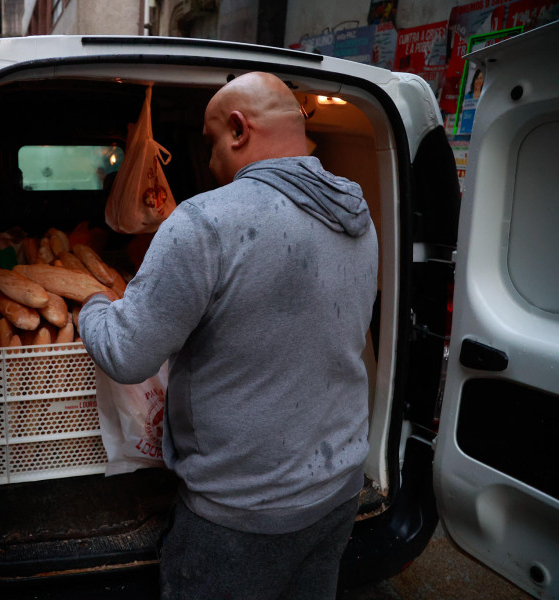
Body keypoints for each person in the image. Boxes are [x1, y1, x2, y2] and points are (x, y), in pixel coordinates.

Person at [78, 72, 378, 599]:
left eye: (210, 141)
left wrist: (94, 304)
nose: (211, 160)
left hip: (240, 516)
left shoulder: (204, 222)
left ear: (238, 130)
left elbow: (126, 353)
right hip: (338, 490)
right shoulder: (356, 212)